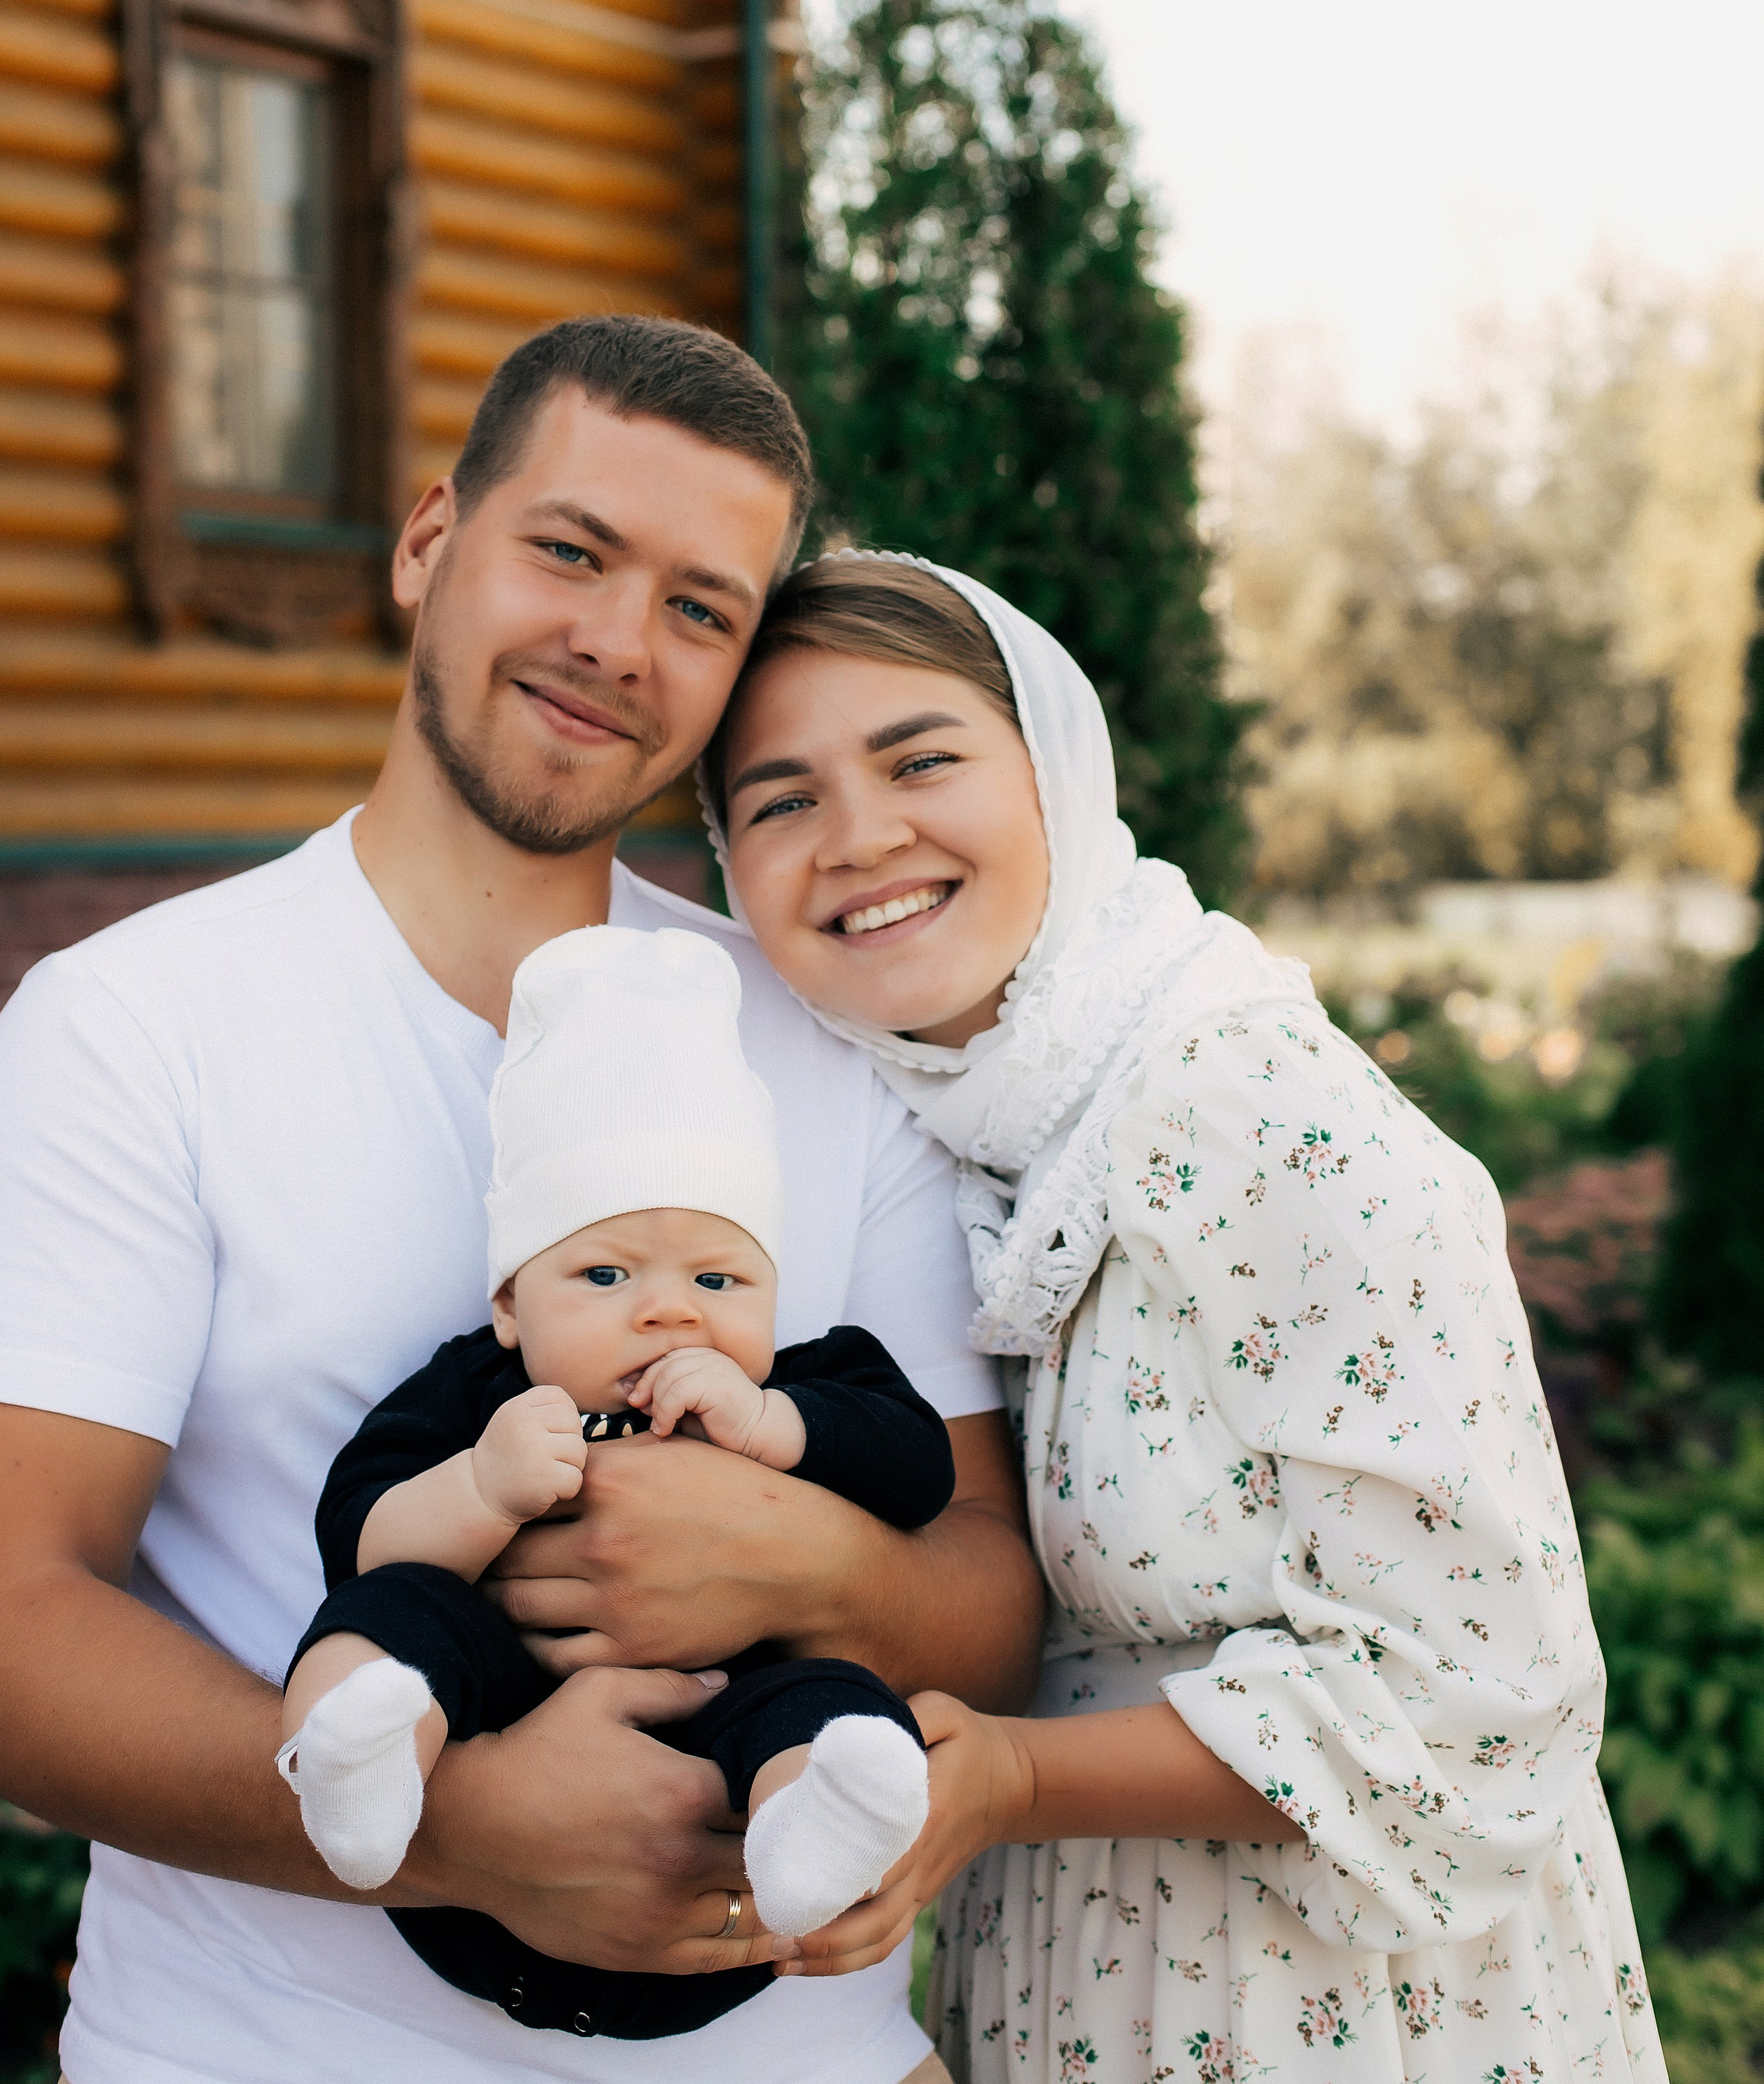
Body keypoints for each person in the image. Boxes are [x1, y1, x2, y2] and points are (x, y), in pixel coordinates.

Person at [0, 323, 1043, 2084]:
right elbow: (20, 1606)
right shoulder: (135, 1028)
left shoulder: (819, 1041)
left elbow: (987, 1589)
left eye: (700, 611)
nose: (615, 644)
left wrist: (801, 1556)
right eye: (568, 551)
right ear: (428, 546)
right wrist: (462, 1825)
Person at [704, 549, 1667, 2084]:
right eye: (778, 800)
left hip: (1335, 2000)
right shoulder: (939, 1142)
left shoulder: (1241, 1108)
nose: (858, 836)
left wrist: (1014, 1776)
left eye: (920, 760)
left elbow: (1481, 1689)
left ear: (1054, 776)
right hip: (1082, 1969)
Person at [280, 922, 944, 2041]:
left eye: (721, 1275)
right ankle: (358, 1761)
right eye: (603, 1272)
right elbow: (358, 1535)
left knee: (837, 1706)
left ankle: (814, 1827)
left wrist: (780, 1425)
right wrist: (482, 1493)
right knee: (390, 1615)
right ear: (510, 1304)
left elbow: (918, 1472)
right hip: (471, 1838)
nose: (670, 1309)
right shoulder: (478, 1394)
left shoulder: (813, 1382)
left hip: (731, 1853)